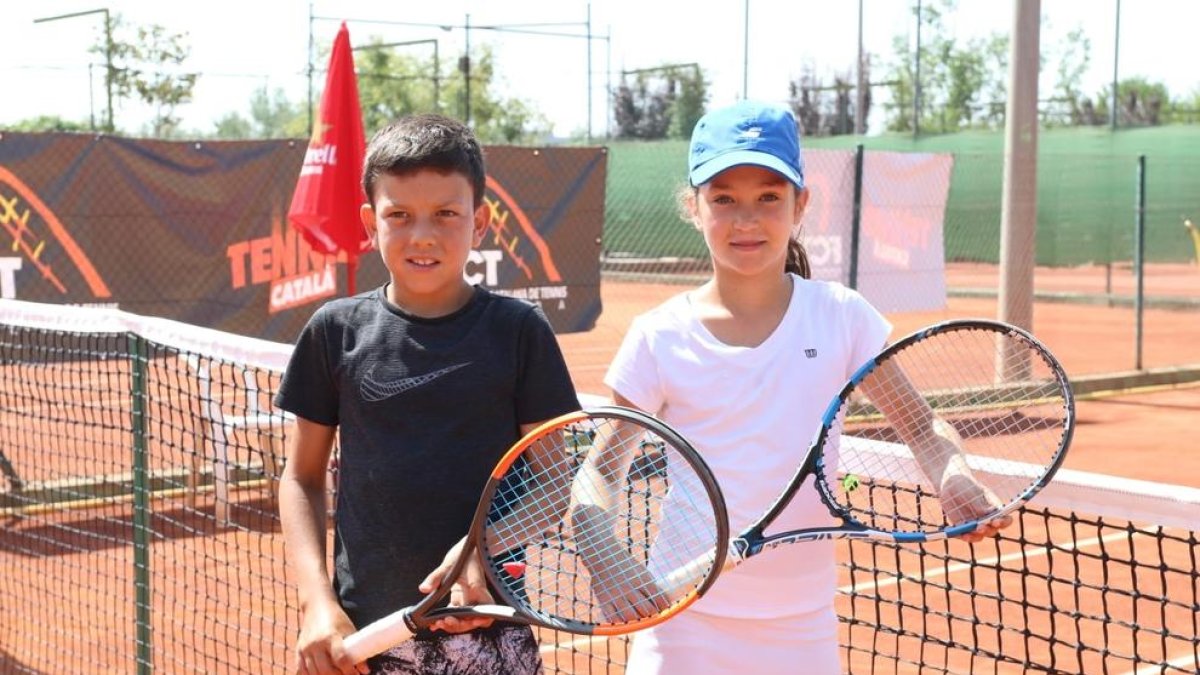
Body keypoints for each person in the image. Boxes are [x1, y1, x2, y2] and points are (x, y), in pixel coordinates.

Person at [603, 100, 1010, 674]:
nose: (747, 219)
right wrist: (603, 555)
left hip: (802, 632)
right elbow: (599, 471)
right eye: (724, 199)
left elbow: (920, 424)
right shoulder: (658, 336)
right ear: (694, 208)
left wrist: (954, 476)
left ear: (801, 205)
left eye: (769, 197)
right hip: (682, 626)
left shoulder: (842, 318)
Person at [276, 113, 580, 675]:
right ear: (370, 222)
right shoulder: (333, 330)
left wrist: (480, 549)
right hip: (367, 639)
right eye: (399, 215)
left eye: (446, 213)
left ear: (480, 222)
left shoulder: (519, 331)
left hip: (494, 629)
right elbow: (301, 477)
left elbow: (555, 479)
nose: (423, 235)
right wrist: (316, 603)